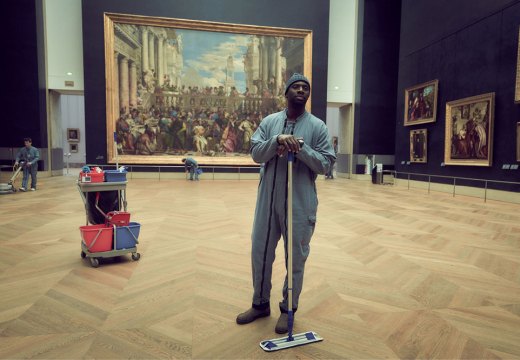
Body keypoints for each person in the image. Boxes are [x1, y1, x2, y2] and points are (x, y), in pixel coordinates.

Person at [236, 73, 336, 334]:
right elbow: (256, 153)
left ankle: (288, 308)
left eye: (305, 87)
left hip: (300, 202)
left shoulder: (318, 127)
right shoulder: (270, 122)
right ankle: (259, 304)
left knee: (296, 258)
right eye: (296, 87)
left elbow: (326, 164)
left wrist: (301, 149)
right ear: (286, 93)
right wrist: (277, 140)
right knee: (260, 252)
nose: (301, 90)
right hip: (268, 201)